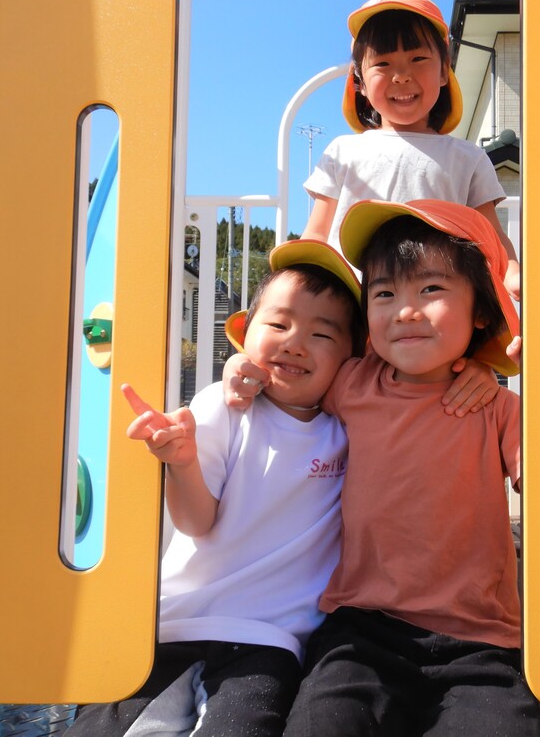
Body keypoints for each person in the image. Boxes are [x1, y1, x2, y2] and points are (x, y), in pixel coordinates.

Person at [226, 199, 540, 736]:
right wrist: (242, 364)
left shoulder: (496, 407)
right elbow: (285, 374)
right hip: (362, 632)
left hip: (483, 640)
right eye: (383, 294)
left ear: (482, 313)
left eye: (430, 290)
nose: (404, 310)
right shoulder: (351, 384)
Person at [64, 240, 365, 737]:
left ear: (351, 356)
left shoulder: (348, 430)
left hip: (271, 641)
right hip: (176, 625)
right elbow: (195, 521)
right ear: (246, 332)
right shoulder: (223, 408)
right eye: (279, 324)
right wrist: (181, 463)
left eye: (321, 334)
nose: (294, 342)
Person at [302, 0, 521, 300]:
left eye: (418, 58)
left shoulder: (467, 157)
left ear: (444, 71)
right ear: (359, 83)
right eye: (382, 64)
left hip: (437, 311)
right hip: (353, 305)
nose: (401, 75)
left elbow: (492, 238)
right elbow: (317, 235)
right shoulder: (342, 151)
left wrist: (512, 270)